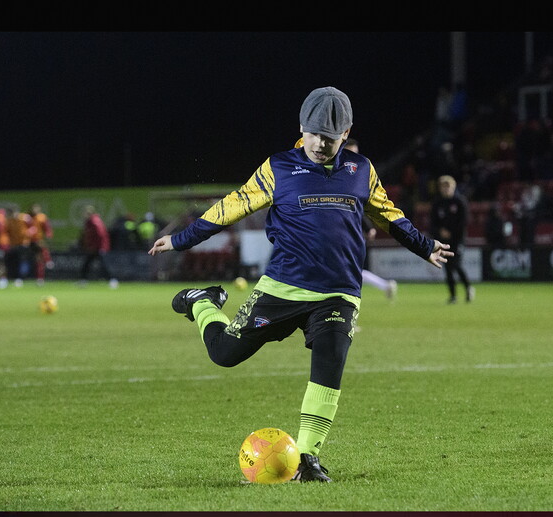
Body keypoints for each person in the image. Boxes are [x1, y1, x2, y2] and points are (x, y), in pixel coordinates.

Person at [147, 86, 452, 483]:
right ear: (301, 128)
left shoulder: (362, 171)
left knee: (329, 363)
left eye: (330, 137)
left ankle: (307, 458)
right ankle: (201, 302)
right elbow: (233, 205)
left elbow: (389, 215)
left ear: (346, 134)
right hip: (282, 289)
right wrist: (181, 239)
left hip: (339, 293)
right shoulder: (279, 167)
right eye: (313, 134)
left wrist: (425, 246)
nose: (320, 144)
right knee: (224, 354)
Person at [345, 138, 398, 302]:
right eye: (350, 153)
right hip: (335, 231)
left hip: (348, 232)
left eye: (356, 153)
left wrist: (367, 227)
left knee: (347, 273)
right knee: (346, 272)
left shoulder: (359, 176)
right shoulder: (337, 174)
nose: (354, 157)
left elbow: (358, 205)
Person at [430, 175, 474, 304]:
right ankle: (453, 295)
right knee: (447, 267)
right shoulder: (437, 203)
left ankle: (468, 287)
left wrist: (452, 232)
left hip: (457, 239)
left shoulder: (460, 202)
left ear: (453, 187)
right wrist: (440, 231)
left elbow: (464, 221)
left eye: (448, 186)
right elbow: (433, 223)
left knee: (456, 264)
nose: (446, 189)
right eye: (443, 186)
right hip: (443, 241)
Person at [79, 205, 118, 288]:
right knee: (87, 264)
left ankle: (112, 280)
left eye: (86, 213)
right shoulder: (89, 222)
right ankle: (83, 280)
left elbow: (100, 235)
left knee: (103, 265)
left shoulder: (94, 221)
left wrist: (98, 247)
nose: (84, 215)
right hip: (94, 247)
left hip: (99, 247)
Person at [29, 203, 54, 286]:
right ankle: (40, 278)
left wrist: (48, 235)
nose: (34, 211)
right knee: (38, 261)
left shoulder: (42, 217)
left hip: (39, 239)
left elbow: (47, 228)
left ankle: (48, 260)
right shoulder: (28, 218)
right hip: (30, 241)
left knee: (41, 251)